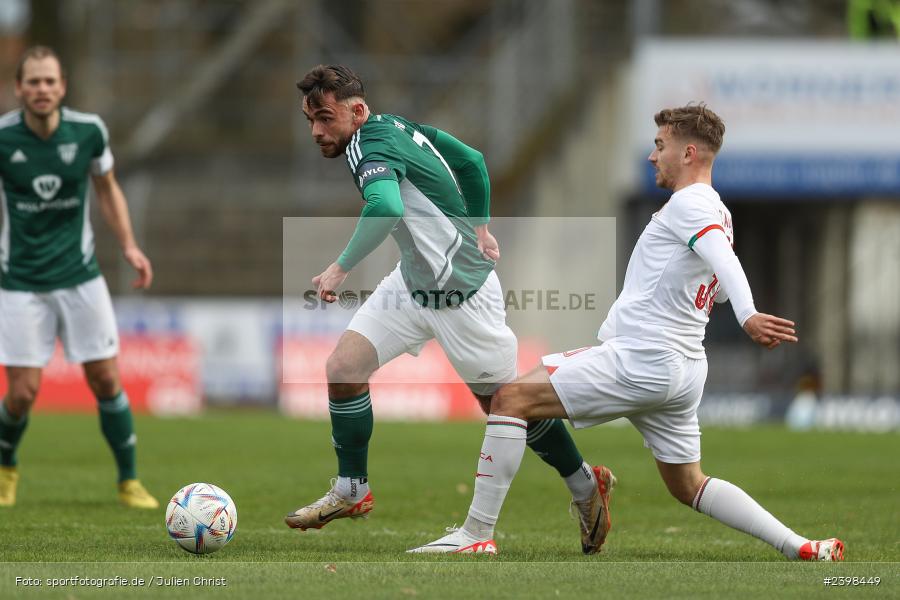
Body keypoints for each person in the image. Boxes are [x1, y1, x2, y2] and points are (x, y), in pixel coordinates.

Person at [410, 104, 844, 561]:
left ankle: (476, 533)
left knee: (509, 399)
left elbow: (722, 261)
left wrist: (749, 313)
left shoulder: (691, 203)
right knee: (688, 485)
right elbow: (711, 287)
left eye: (661, 146)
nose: (653, 156)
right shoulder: (718, 210)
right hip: (684, 370)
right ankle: (799, 546)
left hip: (643, 358)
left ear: (689, 152)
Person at [285, 64, 612, 554]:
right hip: (413, 285)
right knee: (344, 367)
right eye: (310, 120)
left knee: (508, 404)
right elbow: (473, 161)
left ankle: (576, 491)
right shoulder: (400, 126)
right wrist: (480, 226)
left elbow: (385, 208)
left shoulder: (366, 145)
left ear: (356, 111)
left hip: (461, 296)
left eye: (326, 118)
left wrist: (339, 269)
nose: (317, 131)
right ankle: (352, 488)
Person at [0, 46, 157, 509]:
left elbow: (107, 191)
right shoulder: (4, 138)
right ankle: (6, 469)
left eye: (50, 81)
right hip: (20, 281)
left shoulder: (88, 131)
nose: (42, 89)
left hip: (80, 277)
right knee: (23, 393)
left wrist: (128, 245)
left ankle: (129, 481)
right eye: (33, 82)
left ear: (62, 87)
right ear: (19, 88)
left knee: (106, 380)